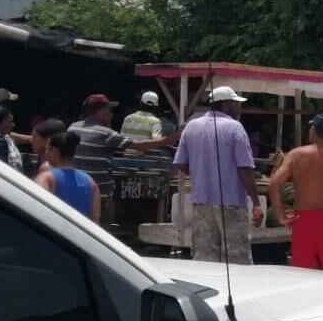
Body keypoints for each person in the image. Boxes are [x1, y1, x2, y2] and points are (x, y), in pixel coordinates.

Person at [173, 86, 262, 264]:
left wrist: (201, 175)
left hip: (202, 202)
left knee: (205, 257)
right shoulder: (235, 127)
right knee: (236, 257)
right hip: (232, 202)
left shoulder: (191, 127)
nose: (238, 108)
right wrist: (257, 204)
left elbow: (181, 163)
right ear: (227, 104)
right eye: (236, 104)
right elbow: (245, 168)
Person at [267, 114, 323, 274]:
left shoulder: (296, 155)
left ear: (313, 131)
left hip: (303, 221)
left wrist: (281, 215)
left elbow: (274, 185)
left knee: (303, 276)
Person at [69, 94, 177, 224]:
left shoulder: (72, 128)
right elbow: (140, 146)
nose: (111, 113)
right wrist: (170, 139)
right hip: (99, 193)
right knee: (101, 230)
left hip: (75, 189)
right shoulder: (106, 133)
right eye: (108, 109)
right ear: (99, 111)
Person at [34, 131, 101, 222]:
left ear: (54, 151)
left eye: (47, 149)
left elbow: (35, 208)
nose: (45, 153)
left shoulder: (46, 178)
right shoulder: (91, 183)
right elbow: (95, 221)